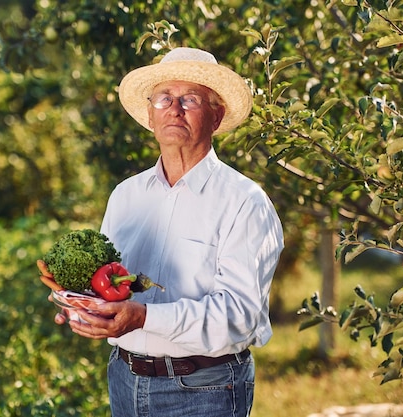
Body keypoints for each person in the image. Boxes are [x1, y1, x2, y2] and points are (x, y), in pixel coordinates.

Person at [46, 47, 284, 417]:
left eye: (190, 99)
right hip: (125, 379)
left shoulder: (244, 202)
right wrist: (78, 303)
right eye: (164, 98)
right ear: (151, 113)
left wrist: (143, 317)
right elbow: (108, 285)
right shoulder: (126, 196)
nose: (175, 108)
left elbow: (239, 316)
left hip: (205, 388)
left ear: (216, 116)